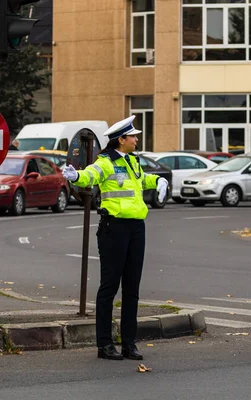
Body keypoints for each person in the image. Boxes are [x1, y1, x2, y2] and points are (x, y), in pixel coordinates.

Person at [63, 116, 168, 361]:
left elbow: (141, 181)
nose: (136, 139)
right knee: (109, 287)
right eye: (133, 136)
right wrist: (76, 176)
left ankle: (129, 344)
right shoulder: (106, 161)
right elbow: (91, 175)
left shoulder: (133, 161)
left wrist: (159, 180)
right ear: (121, 139)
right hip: (114, 228)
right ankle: (104, 345)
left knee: (132, 289)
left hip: (136, 228)